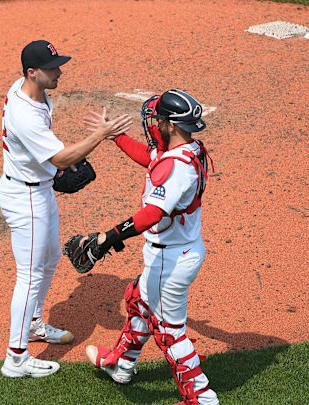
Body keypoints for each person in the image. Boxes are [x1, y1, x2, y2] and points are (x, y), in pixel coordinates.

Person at [0, 39, 132, 378]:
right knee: (28, 275)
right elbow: (60, 157)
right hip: (24, 198)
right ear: (32, 72)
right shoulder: (24, 113)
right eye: (52, 68)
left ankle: (33, 324)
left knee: (51, 258)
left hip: (37, 190)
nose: (60, 72)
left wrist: (50, 171)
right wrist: (100, 135)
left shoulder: (31, 90)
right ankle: (15, 358)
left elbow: (49, 159)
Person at [79, 89, 219, 404]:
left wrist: (108, 237)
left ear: (170, 125)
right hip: (180, 250)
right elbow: (150, 157)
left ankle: (201, 397)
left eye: (158, 120)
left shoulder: (176, 168)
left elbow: (151, 215)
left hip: (169, 259)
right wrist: (115, 137)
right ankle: (122, 364)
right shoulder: (189, 148)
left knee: (170, 333)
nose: (154, 124)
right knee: (138, 301)